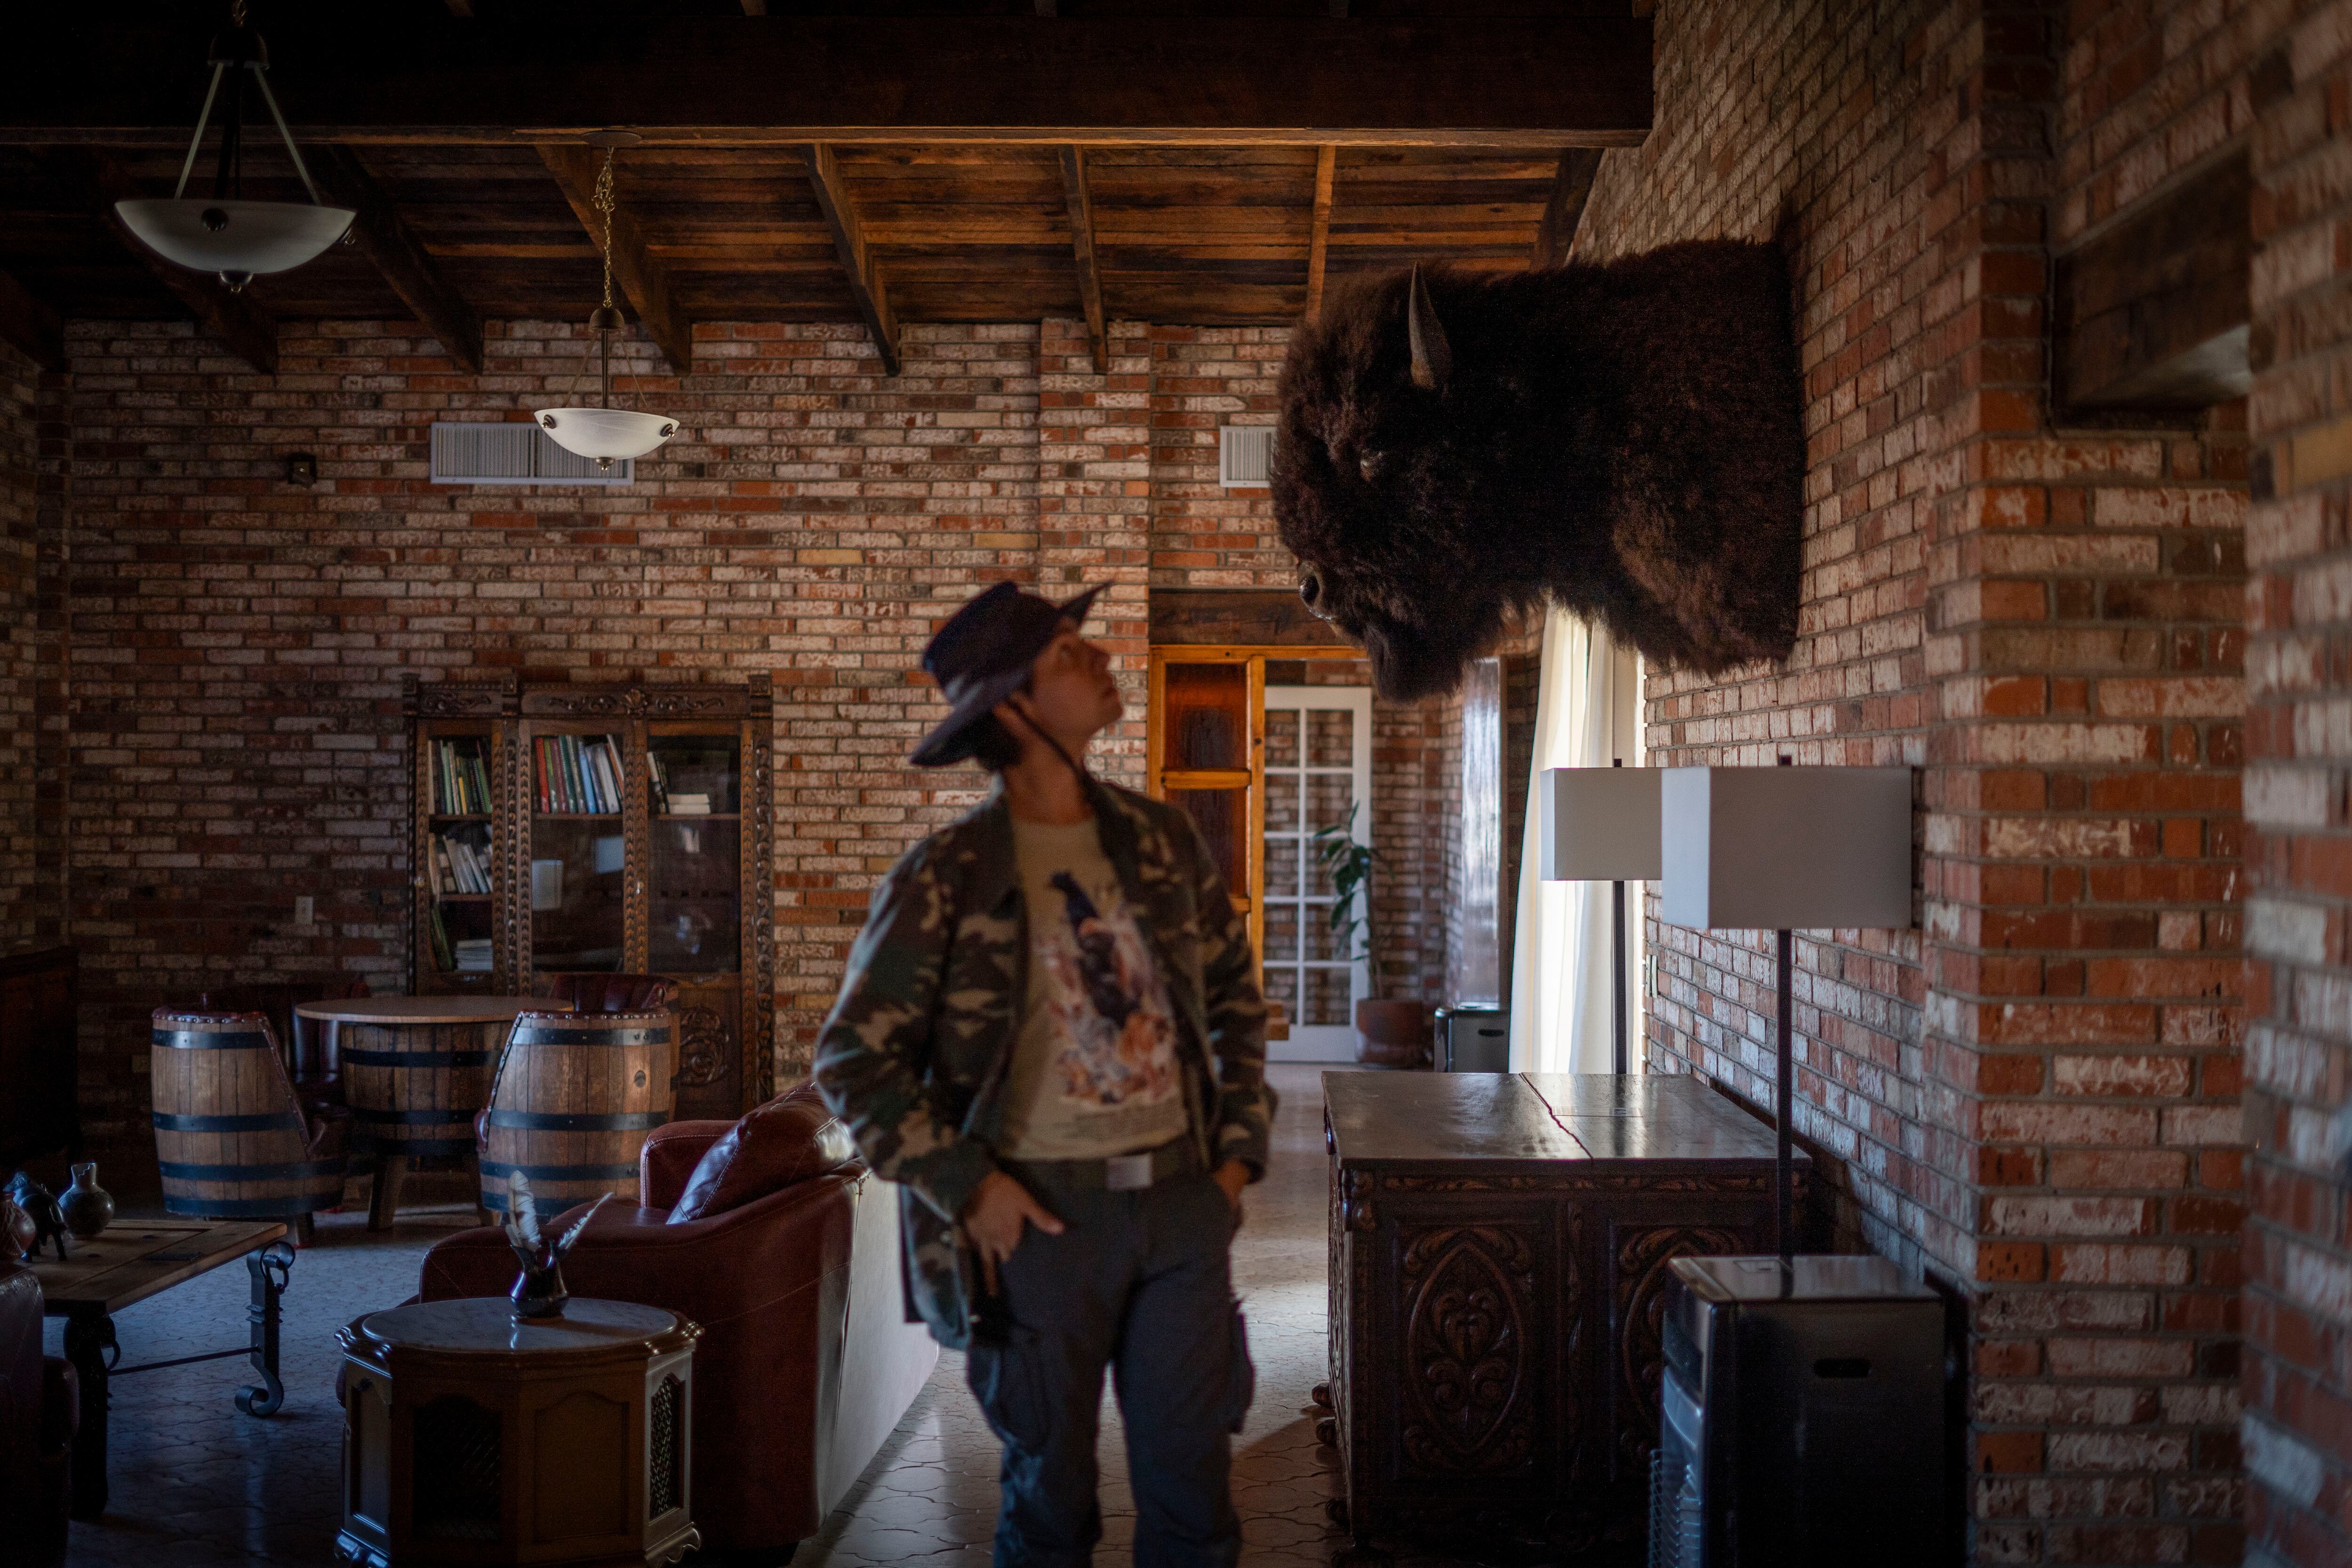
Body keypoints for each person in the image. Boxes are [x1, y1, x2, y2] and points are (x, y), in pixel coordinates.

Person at [814, 581, 1277, 1568]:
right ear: (1013, 706)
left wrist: (1233, 1163)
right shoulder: (945, 875)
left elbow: (1235, 999)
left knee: (1196, 1505)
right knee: (1049, 1512)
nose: (1103, 661)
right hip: (1037, 1225)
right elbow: (852, 1060)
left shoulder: (1159, 841)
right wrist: (968, 1186)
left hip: (1180, 1208)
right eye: (1071, 653)